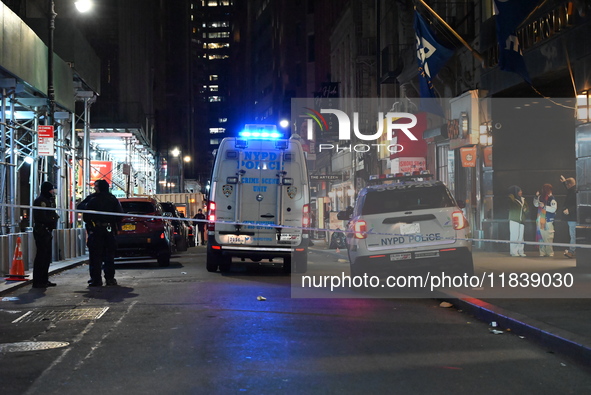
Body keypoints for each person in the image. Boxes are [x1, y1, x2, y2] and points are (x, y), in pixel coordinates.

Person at [79, 180, 124, 286]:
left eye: (96, 186)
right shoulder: (112, 199)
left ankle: (96, 279)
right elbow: (120, 215)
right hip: (108, 231)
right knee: (109, 256)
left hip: (96, 230)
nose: (94, 188)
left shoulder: (92, 198)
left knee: (95, 256)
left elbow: (80, 207)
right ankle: (110, 279)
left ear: (99, 188)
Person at [32, 182, 60, 288]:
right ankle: (38, 281)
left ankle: (44, 279)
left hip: (47, 231)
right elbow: (42, 217)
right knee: (41, 256)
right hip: (42, 231)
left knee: (47, 257)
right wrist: (52, 219)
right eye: (51, 190)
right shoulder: (41, 201)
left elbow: (52, 214)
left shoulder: (49, 201)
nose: (53, 192)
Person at [533, 183, 557, 257]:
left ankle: (549, 252)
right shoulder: (540, 197)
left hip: (548, 219)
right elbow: (536, 204)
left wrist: (544, 207)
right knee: (542, 237)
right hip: (541, 220)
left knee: (548, 237)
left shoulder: (551, 198)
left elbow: (553, 209)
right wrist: (536, 197)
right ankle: (542, 252)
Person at [508, 185, 528, 257]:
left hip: (522, 220)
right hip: (514, 219)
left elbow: (527, 208)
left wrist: (526, 209)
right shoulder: (511, 199)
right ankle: (513, 252)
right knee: (514, 236)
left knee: (521, 237)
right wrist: (511, 196)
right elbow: (509, 204)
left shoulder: (523, 199)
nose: (521, 192)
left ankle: (520, 251)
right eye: (519, 191)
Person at [560, 175, 577, 258]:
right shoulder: (574, 190)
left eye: (567, 185)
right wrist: (564, 182)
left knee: (573, 234)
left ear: (569, 184)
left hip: (573, 217)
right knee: (574, 234)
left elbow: (576, 203)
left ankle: (572, 251)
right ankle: (572, 250)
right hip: (574, 217)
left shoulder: (573, 192)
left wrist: (569, 210)